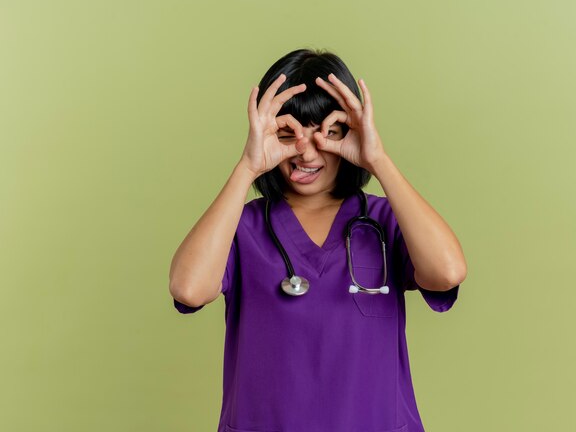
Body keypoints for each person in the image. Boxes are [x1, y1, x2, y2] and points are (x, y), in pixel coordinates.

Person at [169, 48, 467, 432]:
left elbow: (447, 272)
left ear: (349, 134)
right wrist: (247, 166)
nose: (305, 151)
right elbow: (188, 288)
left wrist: (378, 159)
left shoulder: (382, 221)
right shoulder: (243, 228)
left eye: (328, 133)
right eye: (288, 133)